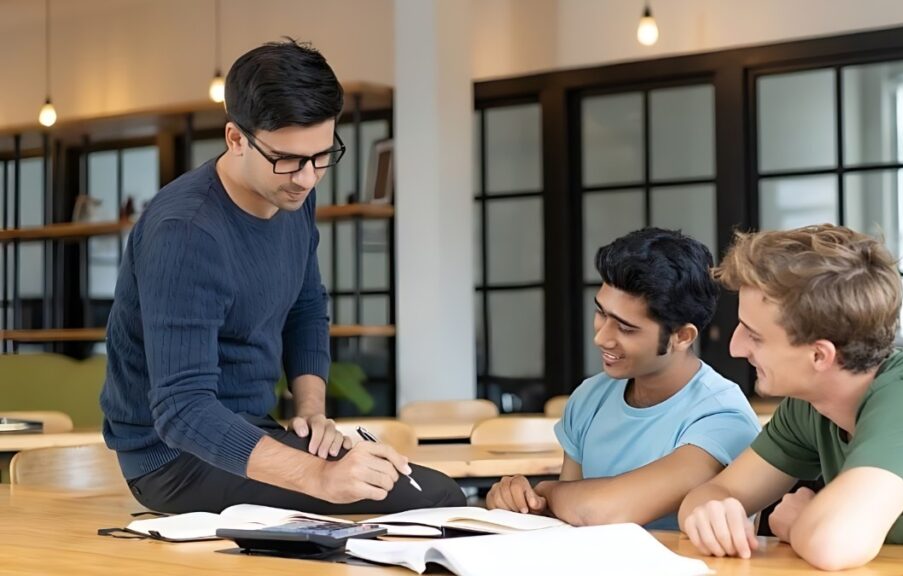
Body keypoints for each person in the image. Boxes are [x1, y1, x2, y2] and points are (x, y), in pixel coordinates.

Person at [100, 39, 464, 514]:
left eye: (321, 156)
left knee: (427, 496)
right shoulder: (186, 232)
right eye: (287, 158)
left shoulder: (292, 193)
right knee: (432, 501)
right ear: (235, 138)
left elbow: (306, 304)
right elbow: (182, 411)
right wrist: (320, 476)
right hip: (172, 461)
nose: (307, 178)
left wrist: (311, 410)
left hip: (252, 430)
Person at [678, 224, 903, 570]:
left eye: (754, 336)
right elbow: (711, 495)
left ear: (820, 356)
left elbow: (833, 544)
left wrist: (798, 520)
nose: (736, 348)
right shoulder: (809, 403)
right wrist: (711, 511)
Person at [486, 228, 760, 529]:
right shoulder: (590, 396)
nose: (601, 338)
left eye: (626, 328)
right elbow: (568, 523)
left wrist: (547, 491)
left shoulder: (723, 416)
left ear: (681, 336)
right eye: (601, 313)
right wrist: (521, 502)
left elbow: (601, 511)